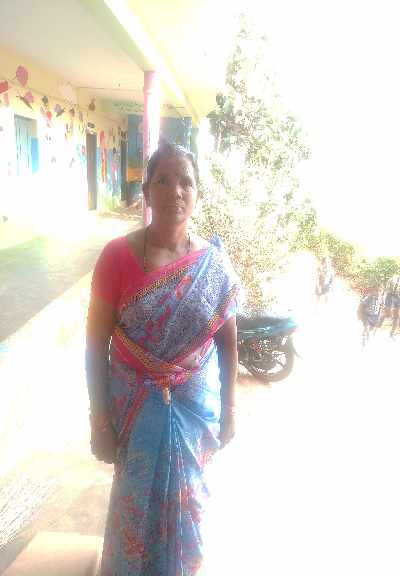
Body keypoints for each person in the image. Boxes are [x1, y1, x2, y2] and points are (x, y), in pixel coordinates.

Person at [86, 140, 240, 575]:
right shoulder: (116, 257)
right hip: (134, 412)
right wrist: (100, 421)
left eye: (186, 182)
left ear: (198, 192)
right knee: (134, 504)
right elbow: (95, 344)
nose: (176, 190)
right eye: (163, 180)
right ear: (147, 191)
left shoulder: (213, 265)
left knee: (189, 507)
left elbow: (228, 343)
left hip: (193, 412)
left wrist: (230, 409)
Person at [381, 273, 400, 338]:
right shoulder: (392, 279)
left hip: (390, 296)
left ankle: (391, 332)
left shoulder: (391, 279)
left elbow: (386, 289)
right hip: (394, 297)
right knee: (395, 316)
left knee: (391, 315)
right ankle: (391, 333)